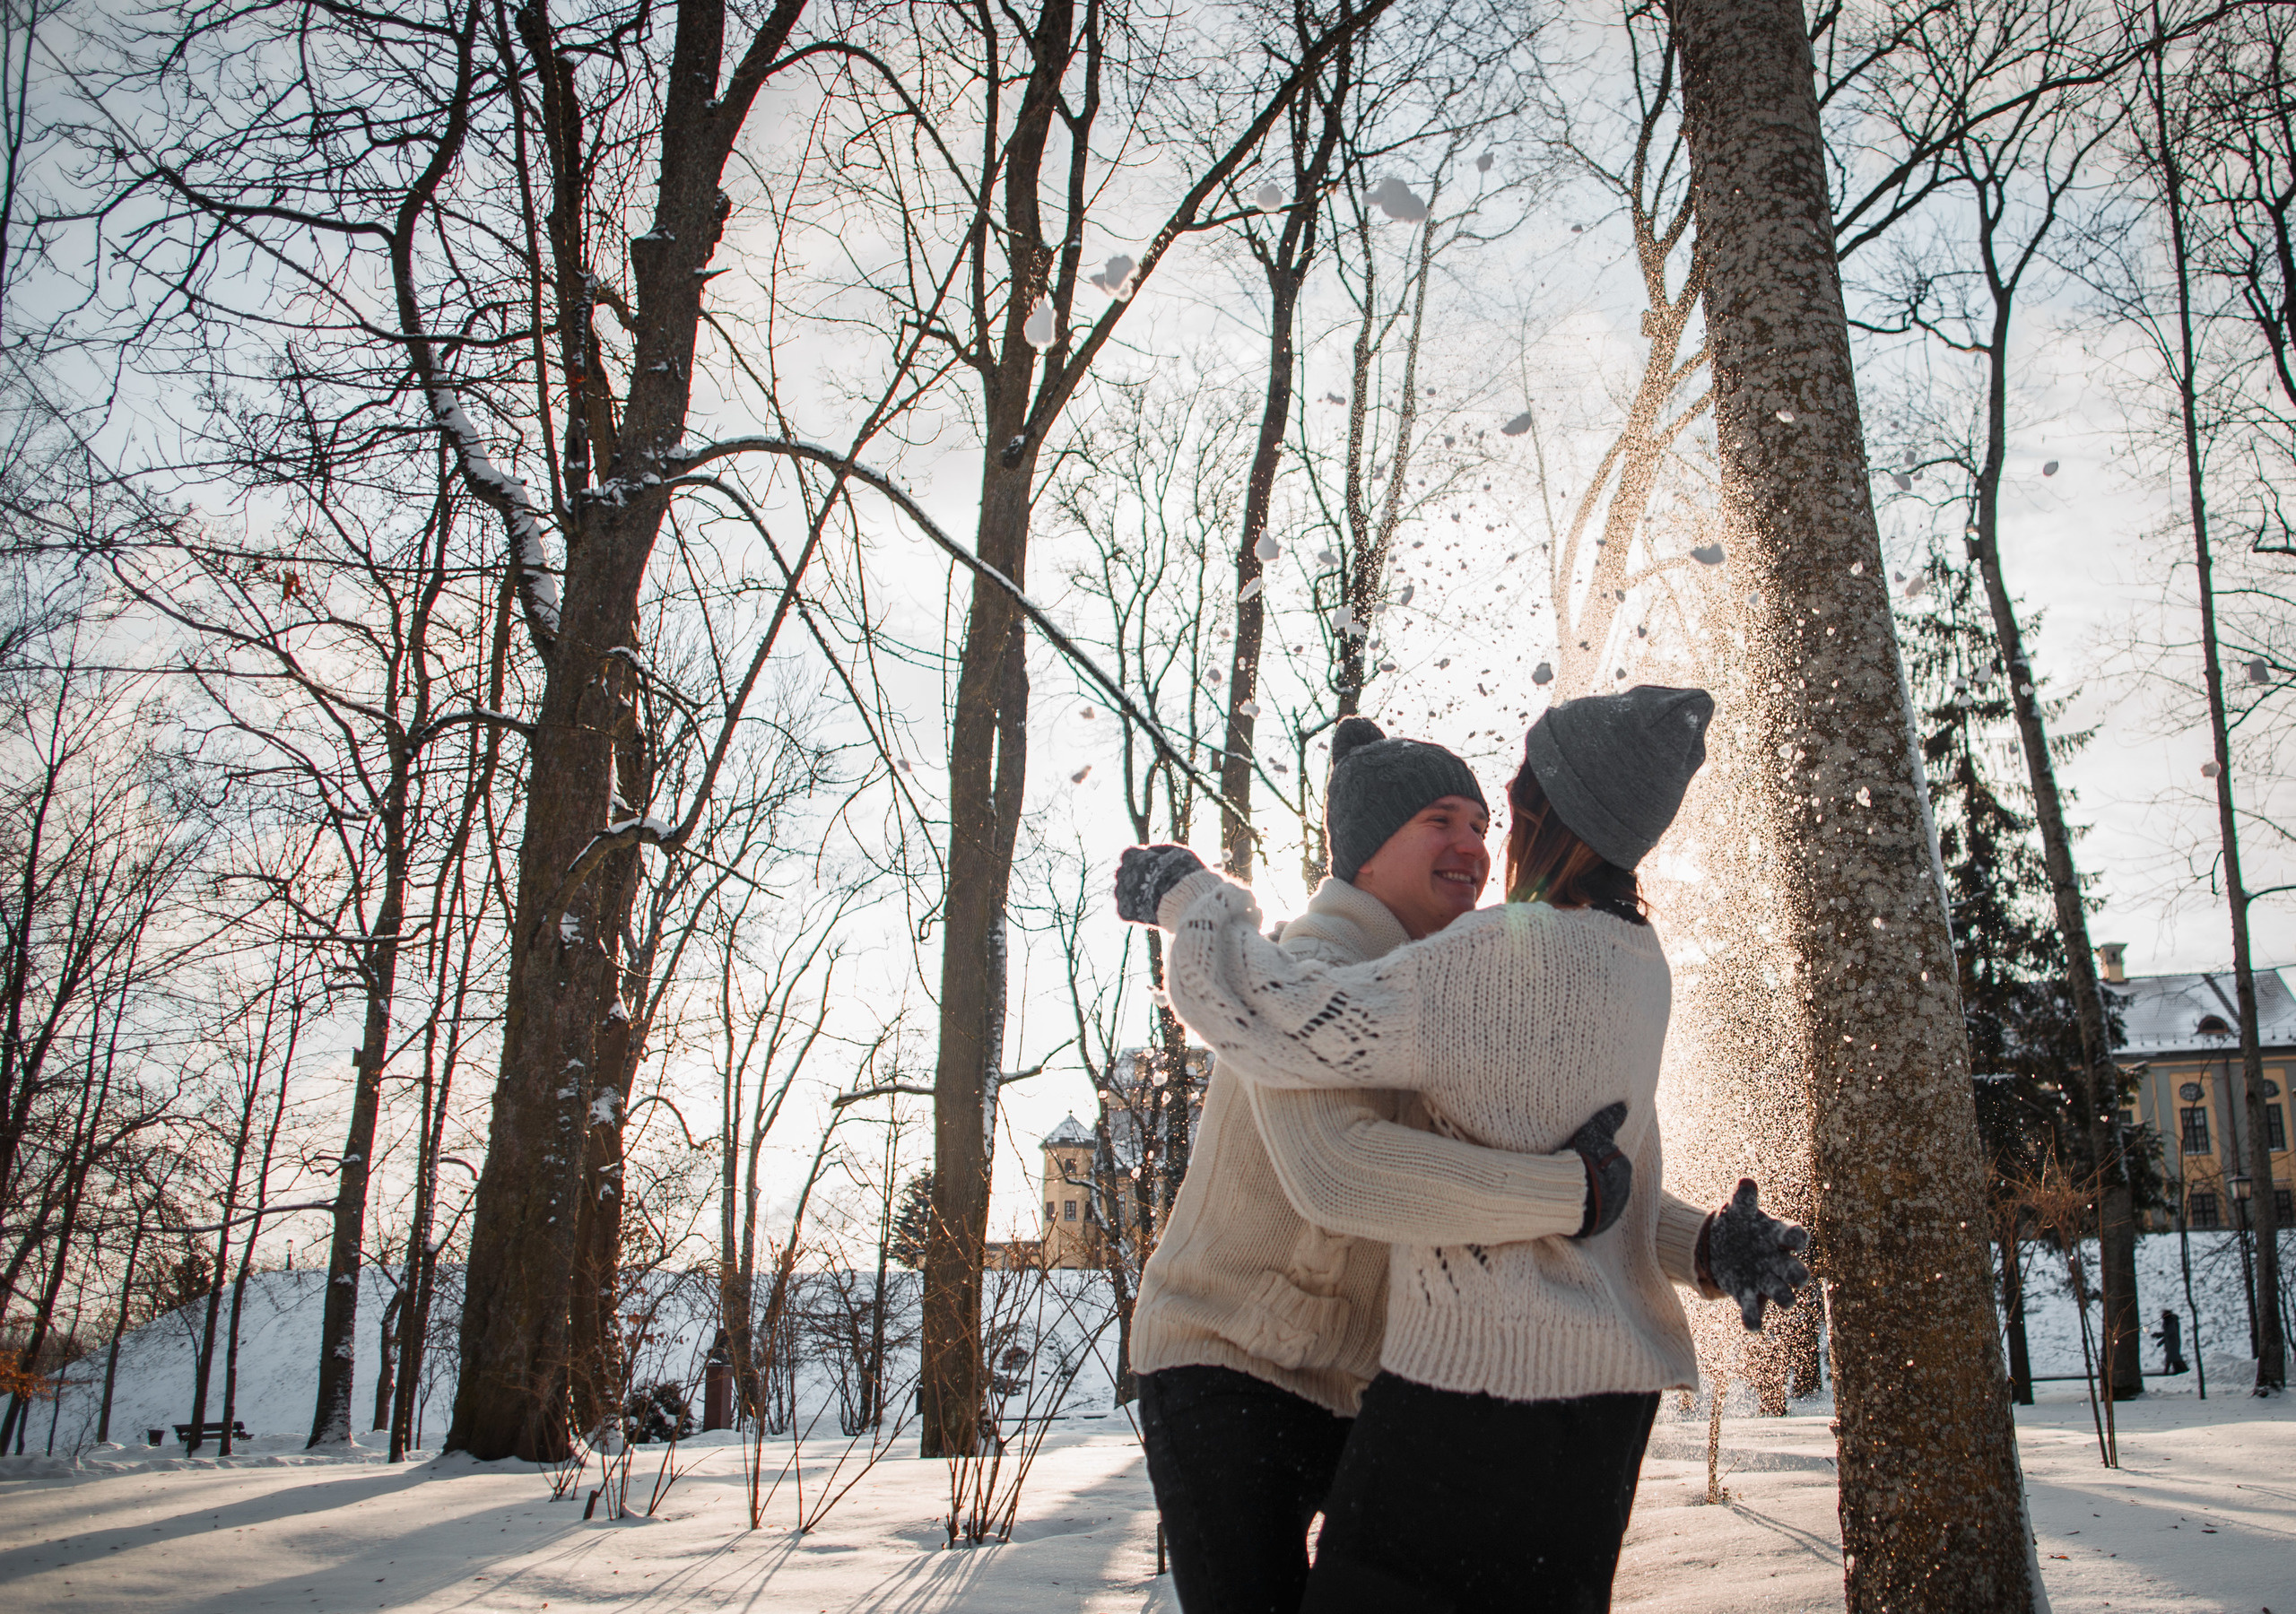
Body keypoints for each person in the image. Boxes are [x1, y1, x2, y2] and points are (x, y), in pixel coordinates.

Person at [1118, 687, 1812, 1613]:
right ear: (1364, 852)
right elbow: (1342, 1173)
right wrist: (1569, 1195)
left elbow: (1579, 1168)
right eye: (1438, 820)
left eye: (1483, 822)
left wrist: (1696, 1246)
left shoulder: (1457, 983)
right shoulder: (1314, 968)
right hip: (1224, 1360)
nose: (1474, 845)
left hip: (1355, 1375)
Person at [2153, 1307, 2188, 1375]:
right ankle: (2181, 1370)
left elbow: (2170, 1332)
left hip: (2173, 1343)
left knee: (2171, 1358)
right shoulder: (2169, 1321)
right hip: (2170, 1343)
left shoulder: (2171, 1321)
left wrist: (2160, 1336)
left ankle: (2166, 1372)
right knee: (2175, 1358)